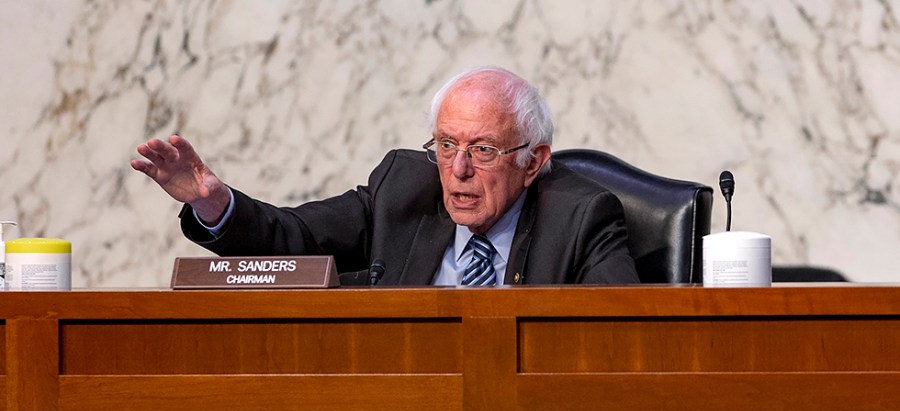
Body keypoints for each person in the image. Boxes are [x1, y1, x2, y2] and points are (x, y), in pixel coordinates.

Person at [132, 66, 640, 285]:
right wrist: (214, 205)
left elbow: (622, 338)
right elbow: (295, 238)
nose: (458, 170)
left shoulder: (581, 219)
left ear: (532, 161)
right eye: (446, 146)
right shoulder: (403, 189)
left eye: (483, 150)